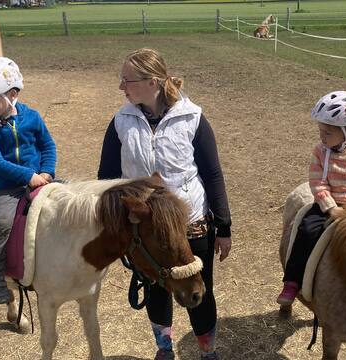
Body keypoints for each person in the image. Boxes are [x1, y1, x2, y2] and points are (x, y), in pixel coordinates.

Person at [98, 48, 232, 360]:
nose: (122, 87)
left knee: (199, 289)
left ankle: (207, 351)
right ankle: (164, 349)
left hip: (192, 224)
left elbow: (213, 175)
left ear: (153, 82)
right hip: (145, 229)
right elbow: (106, 177)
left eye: (127, 80)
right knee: (156, 288)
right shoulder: (121, 121)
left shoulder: (193, 118)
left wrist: (223, 226)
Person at [0, 56, 57, 304]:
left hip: (40, 178)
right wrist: (28, 176)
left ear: (13, 93)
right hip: (7, 186)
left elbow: (47, 145)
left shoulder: (32, 117)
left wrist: (47, 171)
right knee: (2, 221)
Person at [276, 90, 346, 305]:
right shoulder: (320, 152)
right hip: (328, 205)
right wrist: (330, 207)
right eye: (321, 131)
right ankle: (292, 281)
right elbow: (318, 182)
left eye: (327, 133)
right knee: (306, 230)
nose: (322, 137)